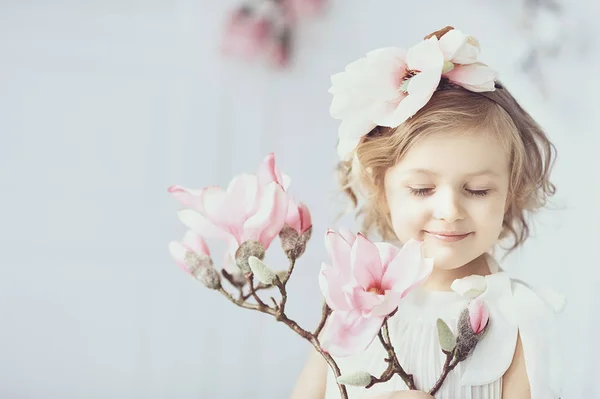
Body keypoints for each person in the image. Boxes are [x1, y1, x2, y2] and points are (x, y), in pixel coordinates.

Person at [289, 26, 564, 399]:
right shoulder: (353, 307)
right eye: (422, 189)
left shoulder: (519, 318)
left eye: (478, 190)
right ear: (380, 189)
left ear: (510, 193)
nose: (449, 211)